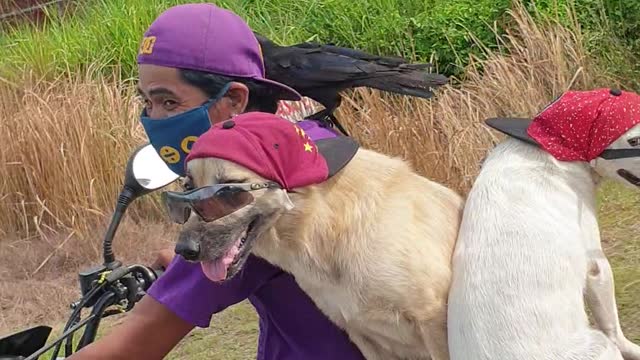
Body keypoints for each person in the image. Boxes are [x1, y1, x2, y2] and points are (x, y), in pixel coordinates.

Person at [69, 3, 366, 360]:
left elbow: (133, 346)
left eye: (168, 101)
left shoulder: (249, 197)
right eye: (147, 102)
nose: (154, 120)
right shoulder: (310, 143)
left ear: (234, 99)